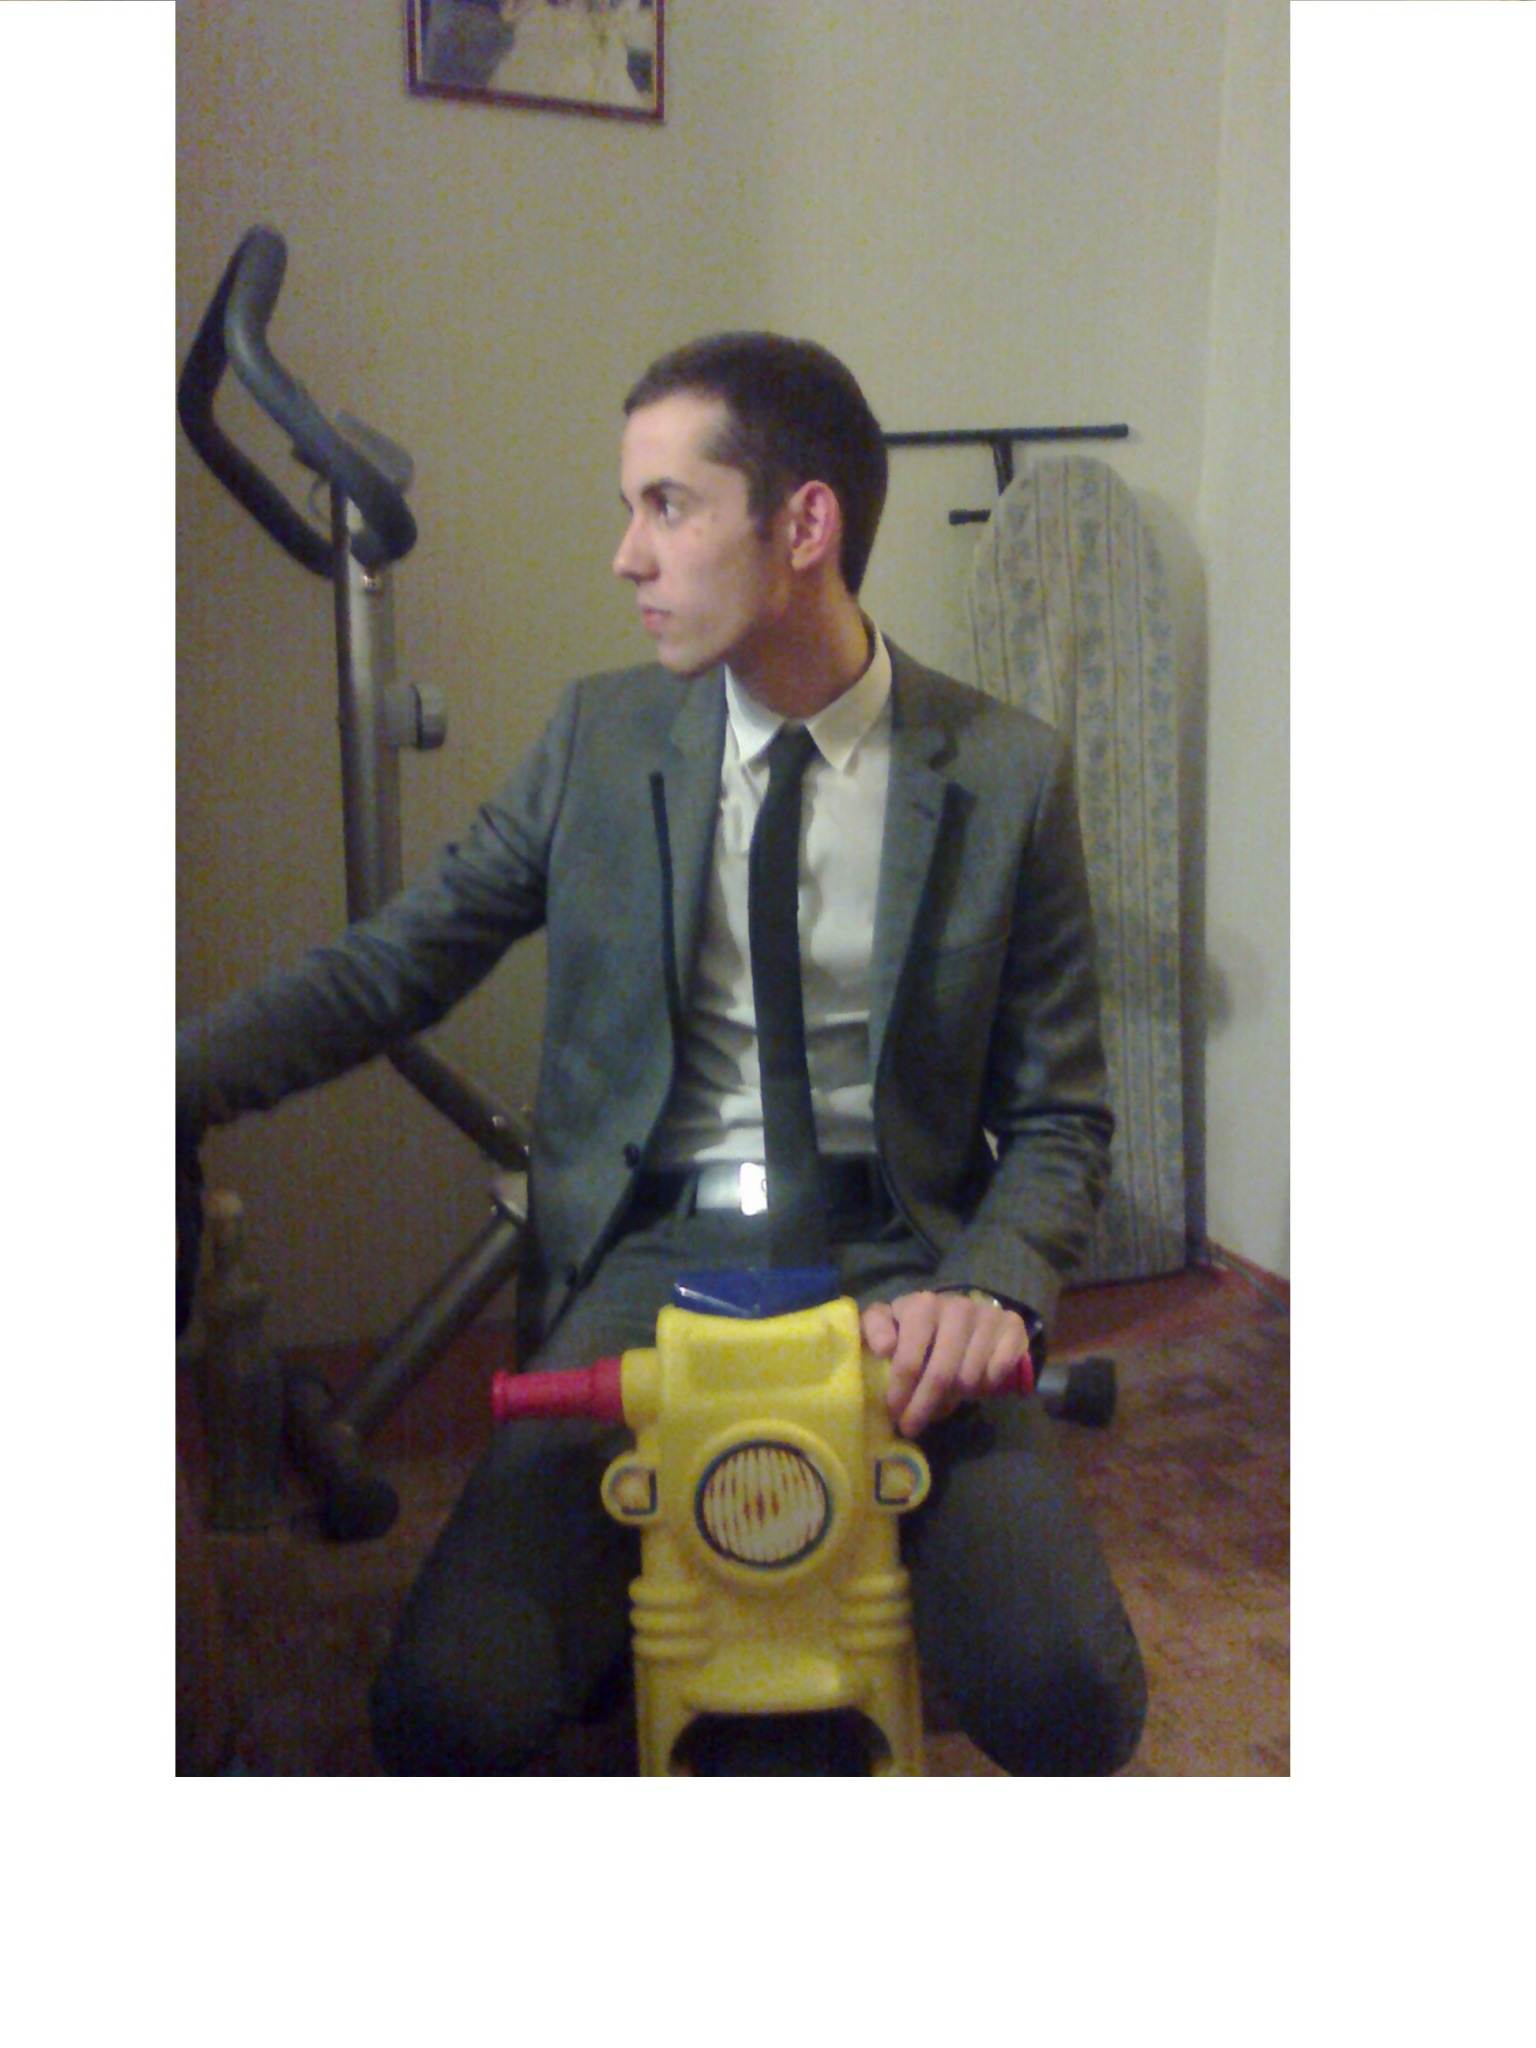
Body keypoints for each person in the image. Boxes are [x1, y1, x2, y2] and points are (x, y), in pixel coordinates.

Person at [177, 332, 1147, 1775]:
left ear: (803, 526)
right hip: (652, 1253)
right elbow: (394, 965)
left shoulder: (1006, 770)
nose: (626, 556)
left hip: (901, 1260)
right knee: (448, 1715)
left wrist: (995, 1286)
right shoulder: (601, 736)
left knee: (1072, 1699)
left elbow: (1062, 1115)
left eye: (667, 507)